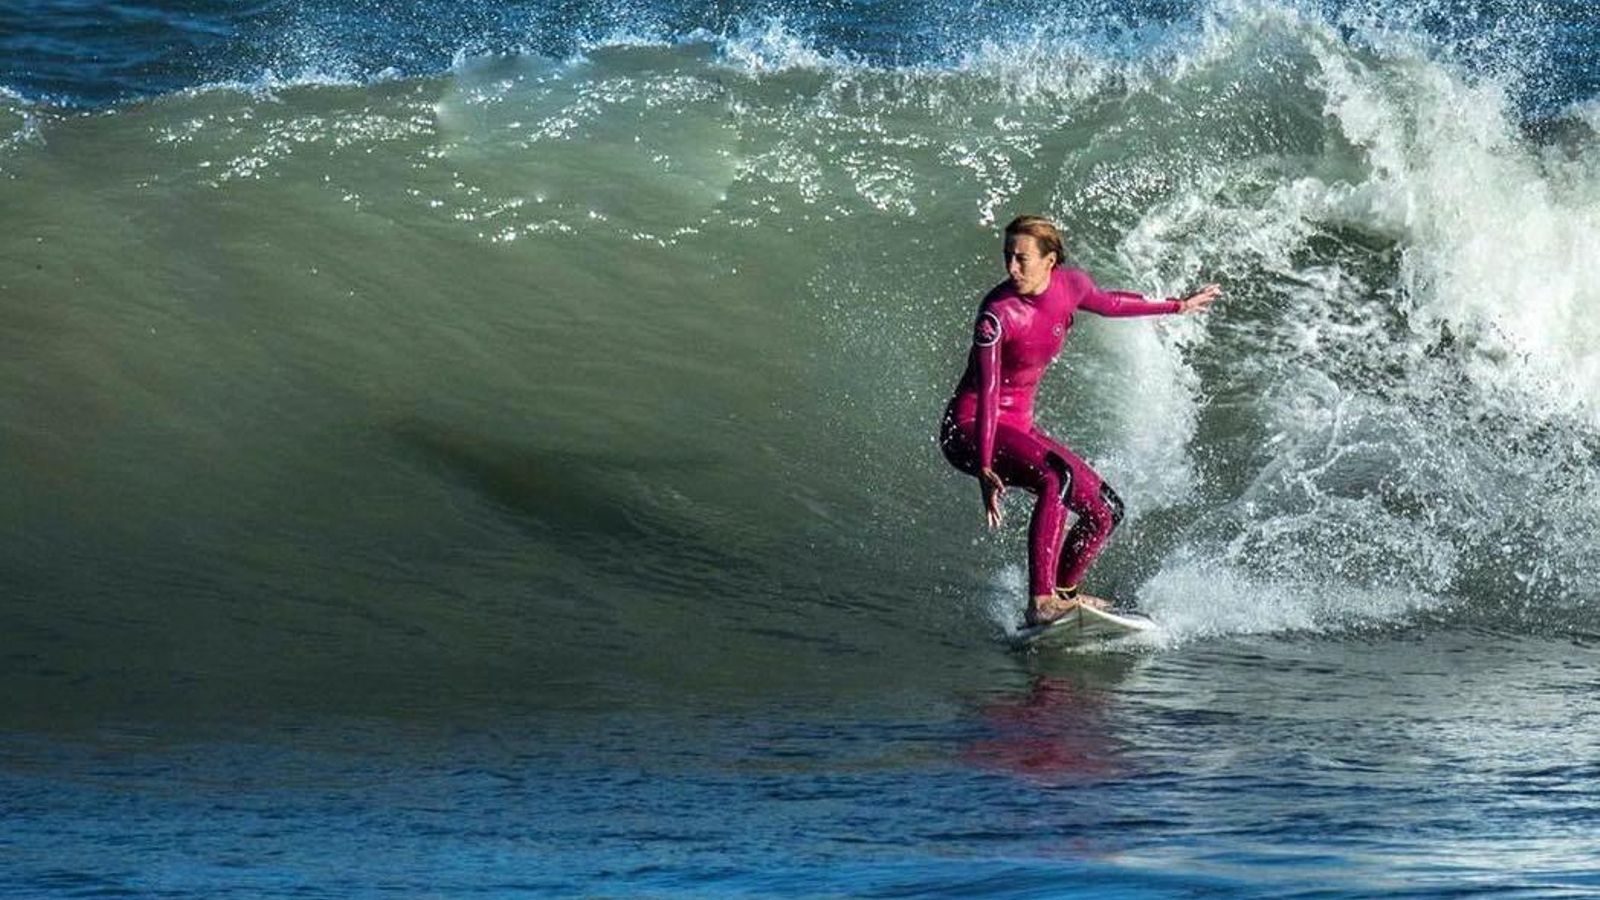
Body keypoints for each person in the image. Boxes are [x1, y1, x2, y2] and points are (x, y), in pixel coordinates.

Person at [939, 215, 1220, 627]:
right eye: (1007, 257)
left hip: (1016, 429)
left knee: (1106, 510)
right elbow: (990, 391)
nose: (1011, 268)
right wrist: (984, 466)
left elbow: (1111, 303)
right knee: (1057, 478)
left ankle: (1065, 594)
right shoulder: (996, 316)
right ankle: (1041, 603)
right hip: (970, 430)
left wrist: (1178, 306)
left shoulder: (1071, 286)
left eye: (1022, 259)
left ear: (1050, 260)